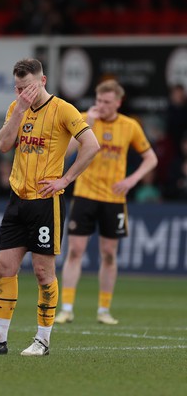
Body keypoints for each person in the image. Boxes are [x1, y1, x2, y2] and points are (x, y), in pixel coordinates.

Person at [0, 58, 99, 357]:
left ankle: (43, 340)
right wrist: (19, 112)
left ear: (43, 81)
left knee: (42, 273)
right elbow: (2, 145)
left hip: (45, 203)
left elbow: (91, 145)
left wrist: (66, 179)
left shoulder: (63, 109)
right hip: (17, 199)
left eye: (28, 87)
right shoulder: (17, 109)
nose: (23, 92)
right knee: (4, 267)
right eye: (18, 87)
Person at [55, 79, 158, 326]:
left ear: (118, 102)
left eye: (107, 102)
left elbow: (150, 158)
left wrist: (132, 180)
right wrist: (86, 125)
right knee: (76, 251)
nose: (101, 105)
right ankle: (67, 308)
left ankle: (103, 310)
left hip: (113, 198)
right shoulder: (82, 118)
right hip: (85, 194)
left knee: (109, 254)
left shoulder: (130, 125)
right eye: (98, 100)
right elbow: (64, 153)